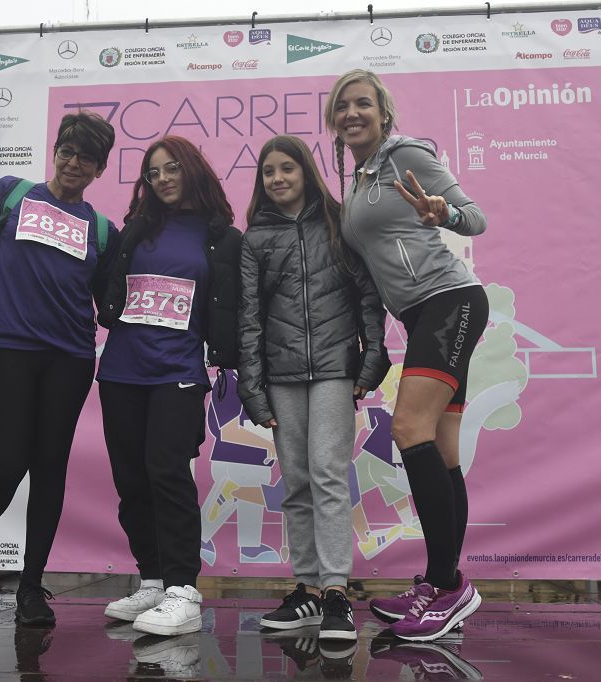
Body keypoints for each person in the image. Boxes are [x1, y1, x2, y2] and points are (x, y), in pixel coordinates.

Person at [0, 111, 119, 626]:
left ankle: (32, 588)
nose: (73, 162)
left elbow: (108, 304)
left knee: (50, 468)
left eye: (86, 157)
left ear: (100, 169)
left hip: (70, 359)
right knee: (7, 461)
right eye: (67, 150)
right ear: (54, 150)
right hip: (6, 350)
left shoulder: (104, 230)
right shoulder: (9, 194)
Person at [325, 69, 489, 642]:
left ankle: (445, 587)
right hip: (421, 315)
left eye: (362, 104)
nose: (352, 113)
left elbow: (476, 218)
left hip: (449, 300)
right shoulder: (361, 177)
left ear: (383, 113)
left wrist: (440, 213)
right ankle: (444, 584)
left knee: (409, 427)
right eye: (342, 106)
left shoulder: (403, 154)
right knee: (442, 450)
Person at [236, 135, 390, 641]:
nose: (277, 179)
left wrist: (371, 360)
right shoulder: (255, 239)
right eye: (268, 172)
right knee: (296, 480)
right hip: (280, 378)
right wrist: (252, 389)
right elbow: (250, 320)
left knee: (327, 474)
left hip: (333, 369)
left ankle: (336, 594)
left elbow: (369, 297)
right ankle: (304, 590)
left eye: (287, 169)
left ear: (305, 171)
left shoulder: (338, 224)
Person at [96, 136, 241, 637]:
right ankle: (153, 581)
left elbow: (231, 309)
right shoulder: (135, 230)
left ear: (193, 169)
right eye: (153, 172)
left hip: (178, 371)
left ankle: (183, 589)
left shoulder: (222, 237)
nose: (162, 178)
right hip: (120, 370)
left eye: (171, 167)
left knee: (167, 472)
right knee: (131, 478)